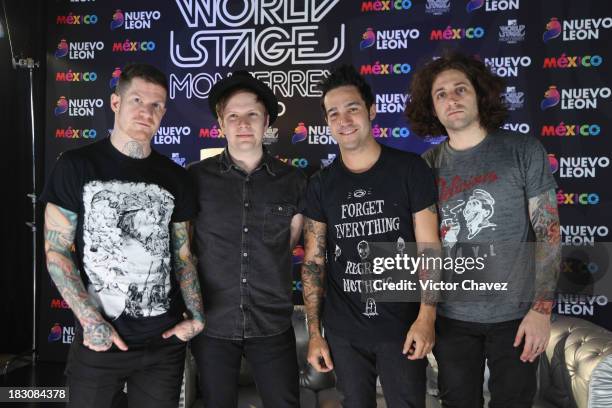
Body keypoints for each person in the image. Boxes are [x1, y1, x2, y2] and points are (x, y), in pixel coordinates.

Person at [41, 63, 204, 408]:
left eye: (157, 105)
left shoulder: (177, 177)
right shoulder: (76, 165)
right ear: (115, 103)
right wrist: (90, 322)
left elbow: (183, 255)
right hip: (100, 340)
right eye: (137, 100)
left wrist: (197, 314)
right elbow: (56, 251)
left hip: (164, 345)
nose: (147, 112)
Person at [405, 52, 561, 408]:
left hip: (517, 318)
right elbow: (425, 246)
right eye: (440, 94)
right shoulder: (425, 167)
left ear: (480, 95)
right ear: (432, 107)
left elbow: (548, 231)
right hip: (452, 320)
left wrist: (541, 310)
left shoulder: (523, 150)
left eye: (461, 89)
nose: (451, 99)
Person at [301, 64, 441, 407]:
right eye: (333, 113)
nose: (343, 119)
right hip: (344, 334)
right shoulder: (321, 184)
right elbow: (314, 262)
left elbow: (430, 248)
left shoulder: (410, 170)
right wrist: (316, 334)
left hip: (402, 328)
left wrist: (426, 318)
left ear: (372, 111)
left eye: (352, 108)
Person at [188, 71, 306, 407]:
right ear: (220, 124)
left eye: (252, 114)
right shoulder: (195, 178)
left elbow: (289, 244)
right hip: (213, 324)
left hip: (272, 324)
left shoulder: (293, 180)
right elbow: (185, 249)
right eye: (233, 116)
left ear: (266, 121)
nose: (243, 123)